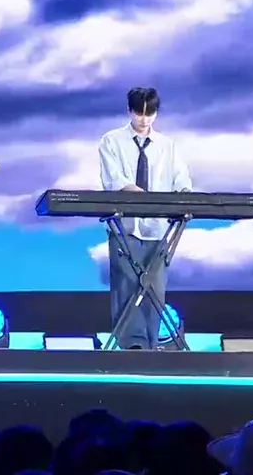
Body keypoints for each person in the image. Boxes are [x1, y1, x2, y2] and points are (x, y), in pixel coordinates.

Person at [98, 87, 192, 350]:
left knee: (155, 288)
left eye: (149, 114)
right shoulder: (111, 141)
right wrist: (141, 195)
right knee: (126, 286)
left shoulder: (168, 146)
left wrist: (185, 196)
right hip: (126, 227)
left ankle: (150, 345)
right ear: (129, 111)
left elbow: (182, 180)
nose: (144, 119)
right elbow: (114, 179)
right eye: (139, 113)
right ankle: (132, 345)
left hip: (157, 228)